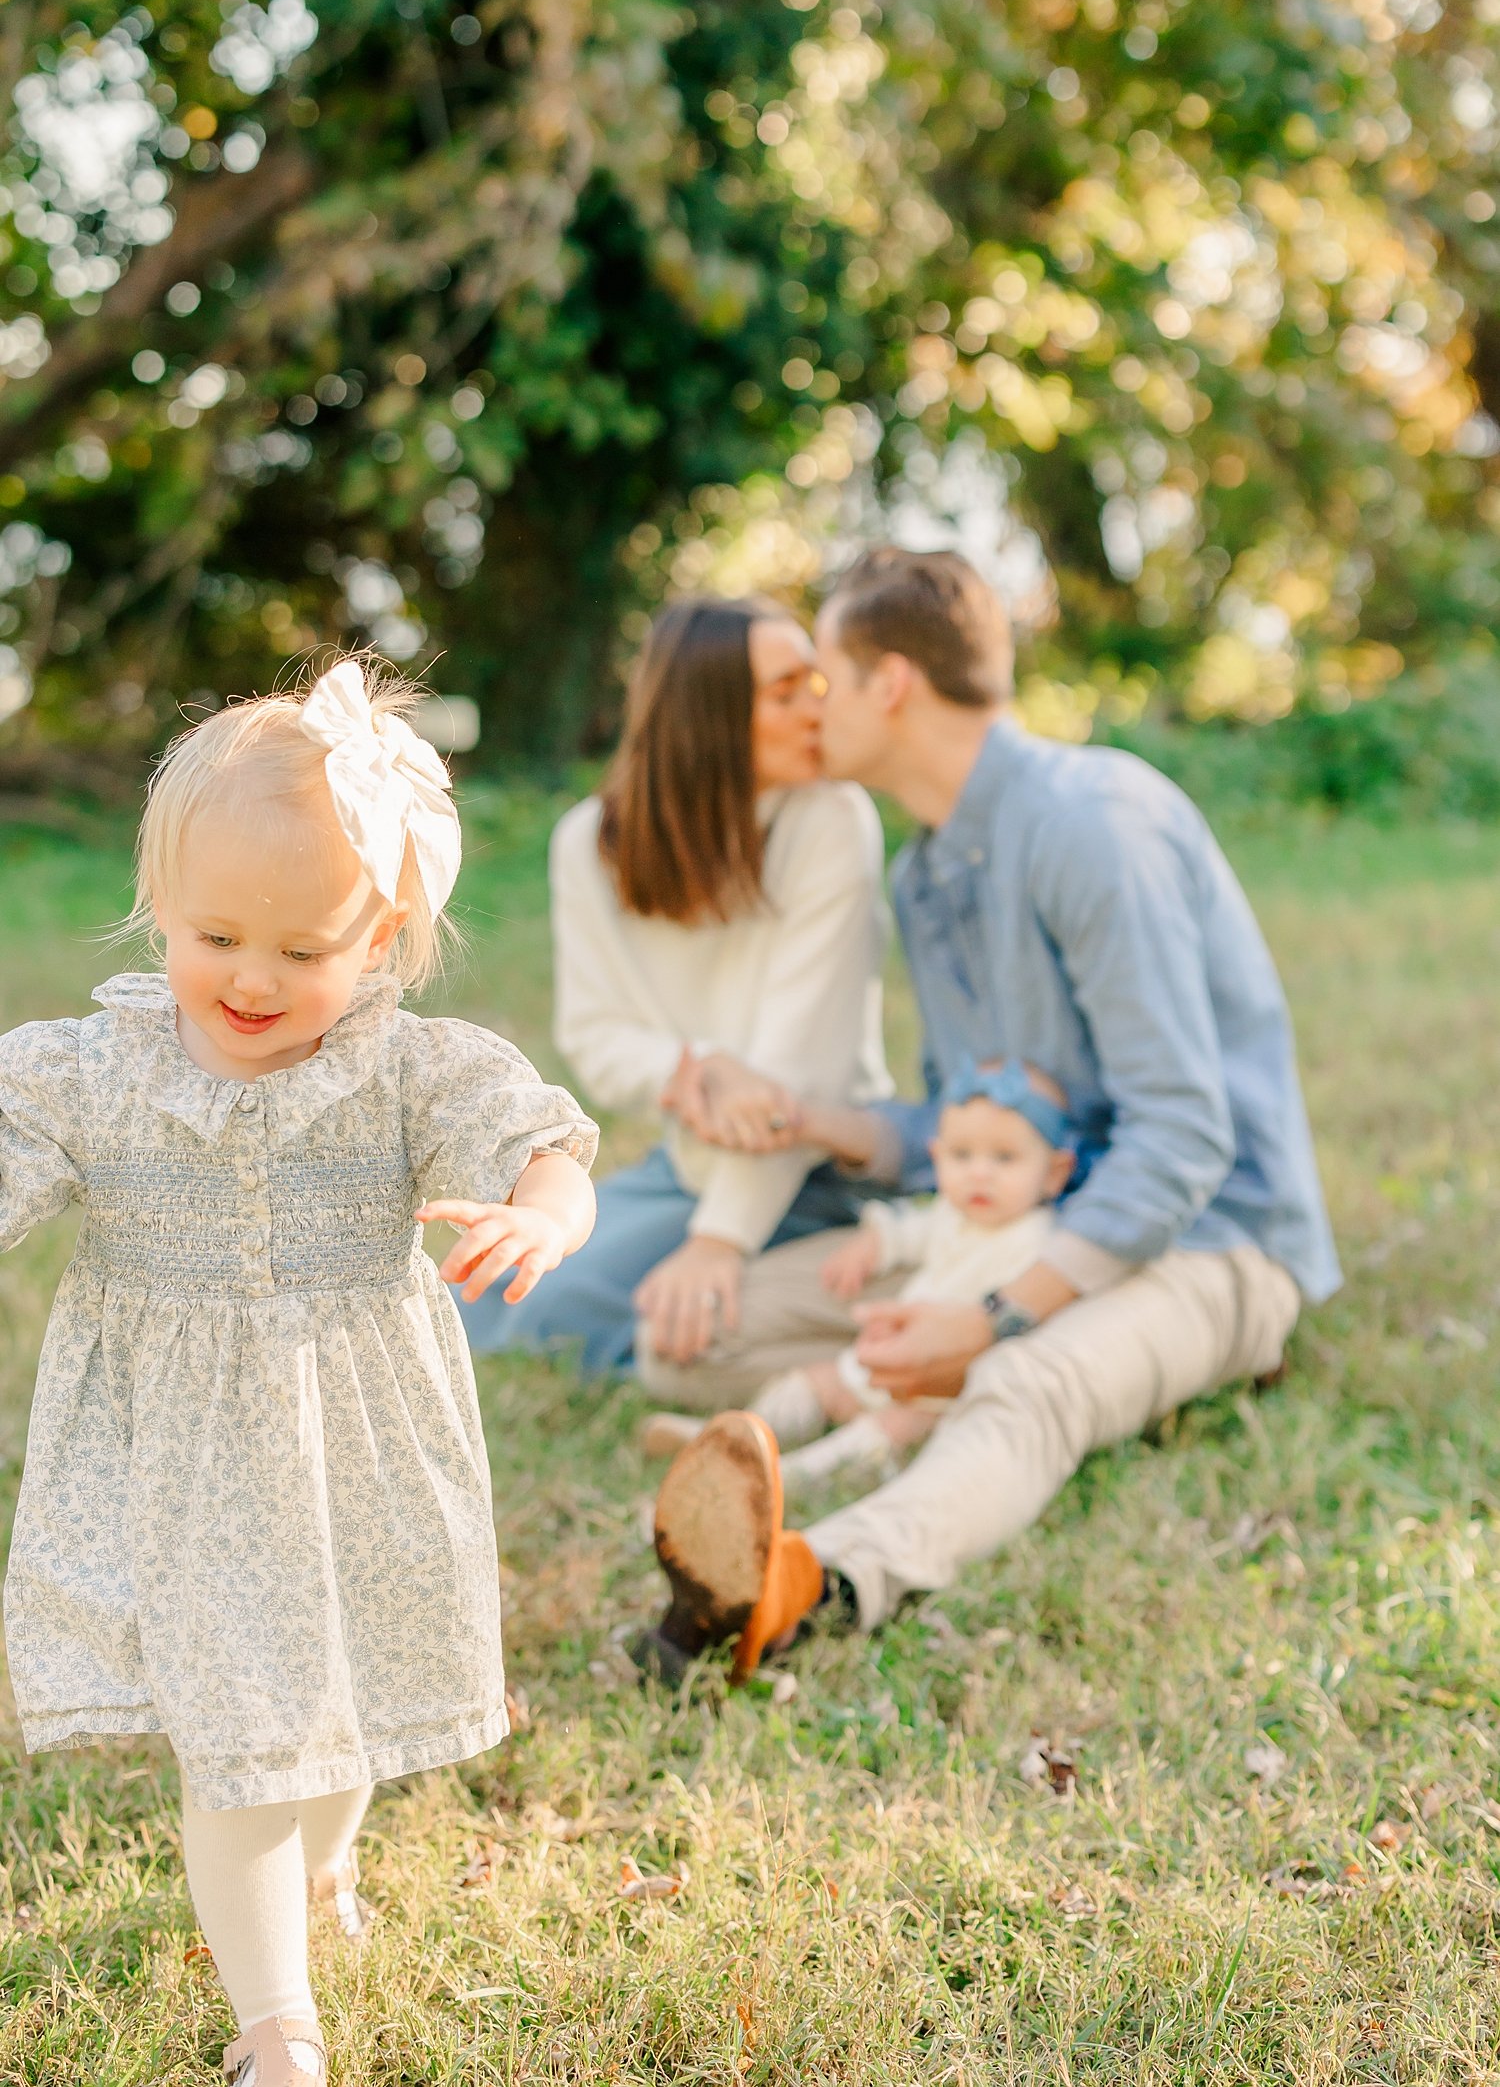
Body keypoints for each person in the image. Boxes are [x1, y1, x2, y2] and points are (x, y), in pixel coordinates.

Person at [0, 662, 597, 2087]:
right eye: (216, 935)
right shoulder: (100, 1069)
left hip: (360, 1437)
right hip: (183, 1461)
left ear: (381, 934)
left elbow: (544, 1143)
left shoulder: (403, 1070)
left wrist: (539, 1215)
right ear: (162, 905)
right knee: (246, 1740)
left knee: (343, 1705)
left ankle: (327, 1876)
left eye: (303, 948)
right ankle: (279, 2024)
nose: (253, 979)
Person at [632, 546, 1340, 1682]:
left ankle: (815, 1581)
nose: (811, 706)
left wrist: (998, 1315)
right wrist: (815, 1119)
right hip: (1008, 1231)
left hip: (1214, 1243)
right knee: (691, 1343)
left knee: (1023, 1376)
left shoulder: (1093, 824)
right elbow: (968, 1126)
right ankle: (992, 1366)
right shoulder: (927, 875)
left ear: (892, 684)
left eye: (826, 676)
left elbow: (1183, 1137)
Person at [457, 595, 892, 1376]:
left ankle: (756, 1335)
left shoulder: (834, 820)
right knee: (498, 1297)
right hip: (688, 1167)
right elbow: (595, 1034)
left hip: (816, 1172)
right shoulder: (588, 845)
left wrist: (718, 1244)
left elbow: (801, 1067)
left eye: (815, 687)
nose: (815, 711)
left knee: (634, 1317)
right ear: (709, 716)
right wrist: (691, 1068)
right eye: (787, 692)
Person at [642, 1056, 1074, 1489]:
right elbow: (907, 1231)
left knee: (897, 1425)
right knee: (816, 1382)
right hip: (890, 1357)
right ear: (937, 1156)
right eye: (962, 1155)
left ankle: (800, 1473)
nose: (980, 1174)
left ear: (1055, 1173)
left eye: (1005, 1158)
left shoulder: (1037, 1244)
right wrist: (872, 1245)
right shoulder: (951, 1215)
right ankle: (743, 1435)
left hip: (946, 1384)